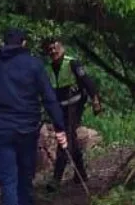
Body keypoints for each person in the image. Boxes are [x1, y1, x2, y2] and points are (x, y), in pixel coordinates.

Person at [0, 28, 67, 205]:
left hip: (0, 129)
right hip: (27, 129)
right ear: (24, 43)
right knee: (25, 176)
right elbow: (49, 97)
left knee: (8, 179)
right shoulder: (34, 65)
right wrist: (60, 127)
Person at [42, 36, 102, 188]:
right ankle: (81, 173)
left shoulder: (72, 63)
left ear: (61, 47)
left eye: (55, 47)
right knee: (71, 139)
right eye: (50, 50)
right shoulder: (48, 68)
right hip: (60, 107)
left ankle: (56, 178)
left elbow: (87, 82)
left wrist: (95, 100)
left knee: (65, 137)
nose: (53, 51)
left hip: (75, 104)